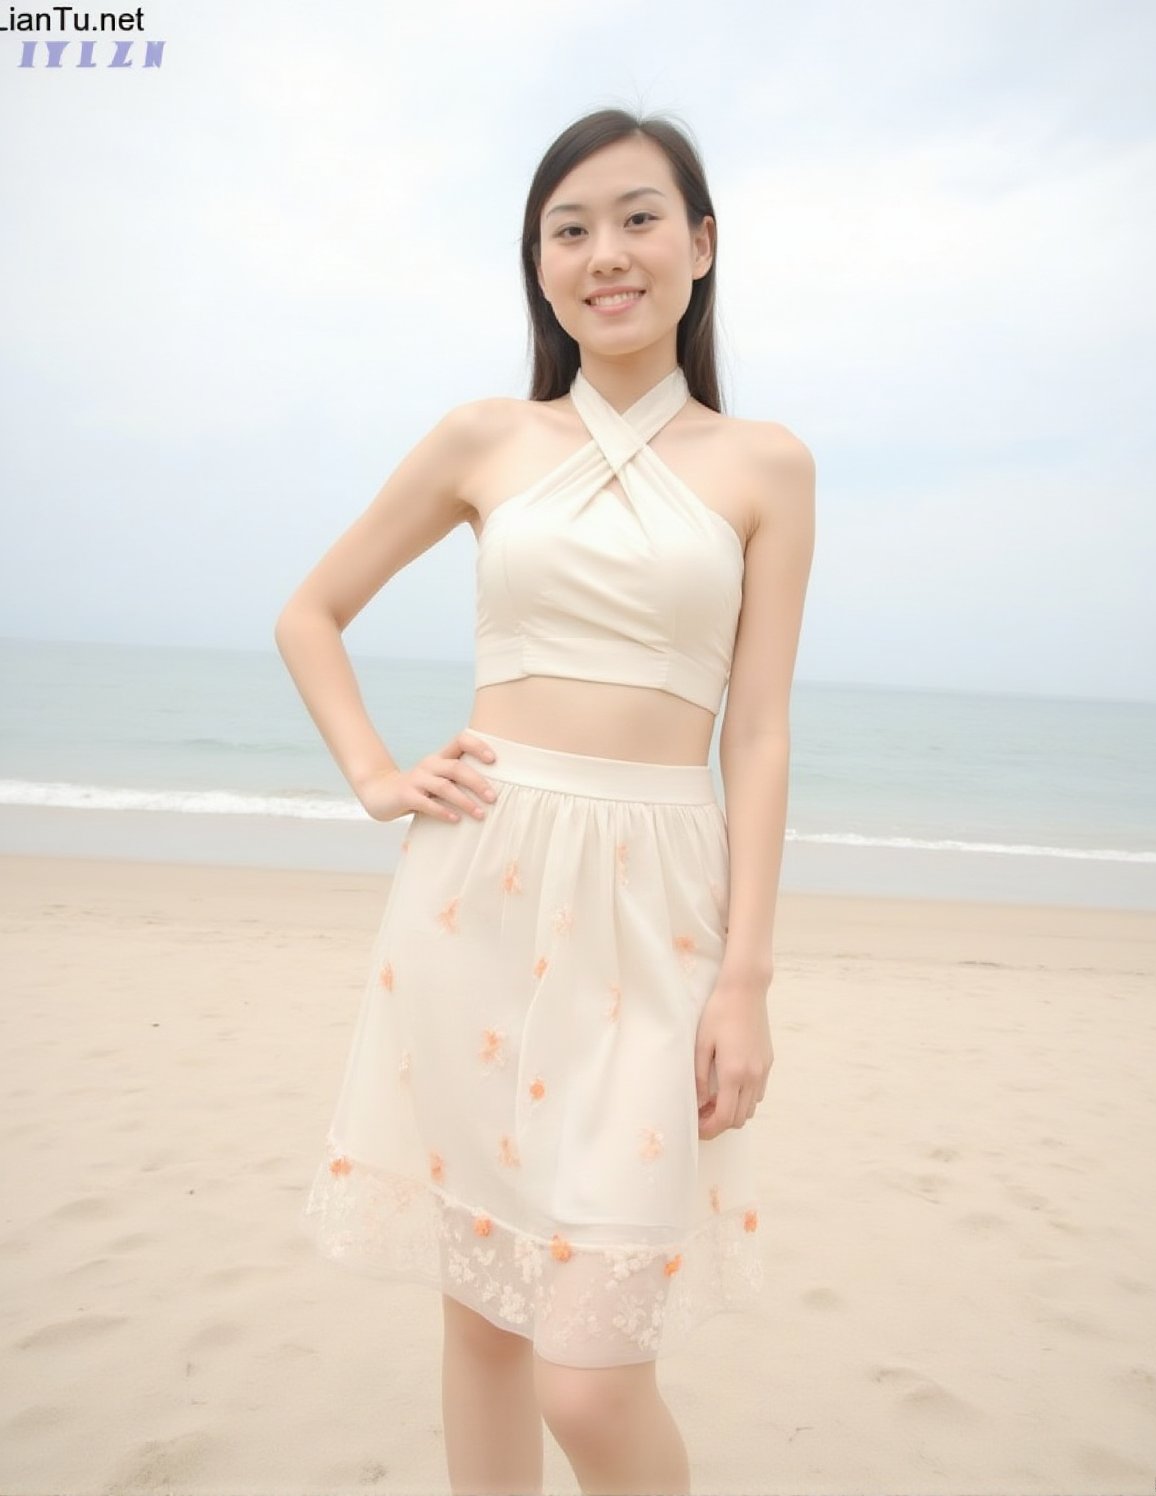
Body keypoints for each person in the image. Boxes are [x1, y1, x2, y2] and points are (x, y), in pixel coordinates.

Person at [275, 106, 816, 1496]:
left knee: (590, 1378)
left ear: (702, 244)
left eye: (639, 219)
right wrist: (380, 778)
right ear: (539, 264)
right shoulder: (483, 438)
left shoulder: (765, 465)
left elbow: (755, 731)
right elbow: (311, 614)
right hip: (480, 893)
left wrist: (745, 976)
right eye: (567, 230)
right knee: (484, 1318)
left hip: (657, 916)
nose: (604, 254)